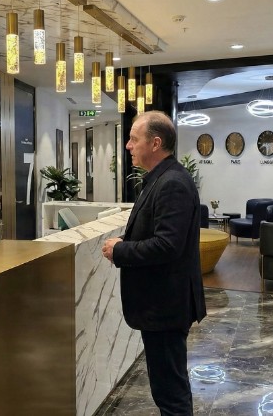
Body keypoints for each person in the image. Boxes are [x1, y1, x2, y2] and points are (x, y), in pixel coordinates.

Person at [101, 111, 207, 415]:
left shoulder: (172, 182)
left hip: (166, 306)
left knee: (170, 392)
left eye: (134, 139)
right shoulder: (161, 178)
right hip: (162, 305)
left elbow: (167, 245)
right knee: (167, 387)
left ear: (156, 143)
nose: (128, 145)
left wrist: (121, 250)